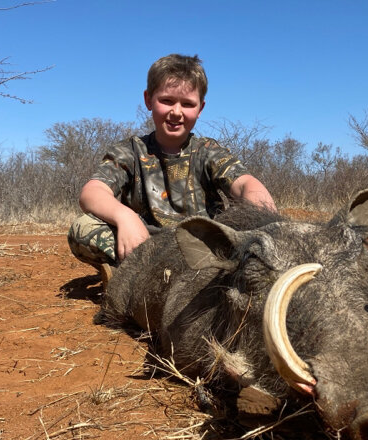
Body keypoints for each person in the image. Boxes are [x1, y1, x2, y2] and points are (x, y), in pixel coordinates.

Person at [67, 54, 275, 285]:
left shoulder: (208, 151)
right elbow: (92, 191)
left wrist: (263, 217)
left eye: (187, 104)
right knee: (82, 228)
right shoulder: (129, 151)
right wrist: (125, 217)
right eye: (166, 101)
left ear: (200, 108)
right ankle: (136, 276)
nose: (176, 112)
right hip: (145, 245)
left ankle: (137, 280)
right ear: (148, 100)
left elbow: (245, 183)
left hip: (203, 249)